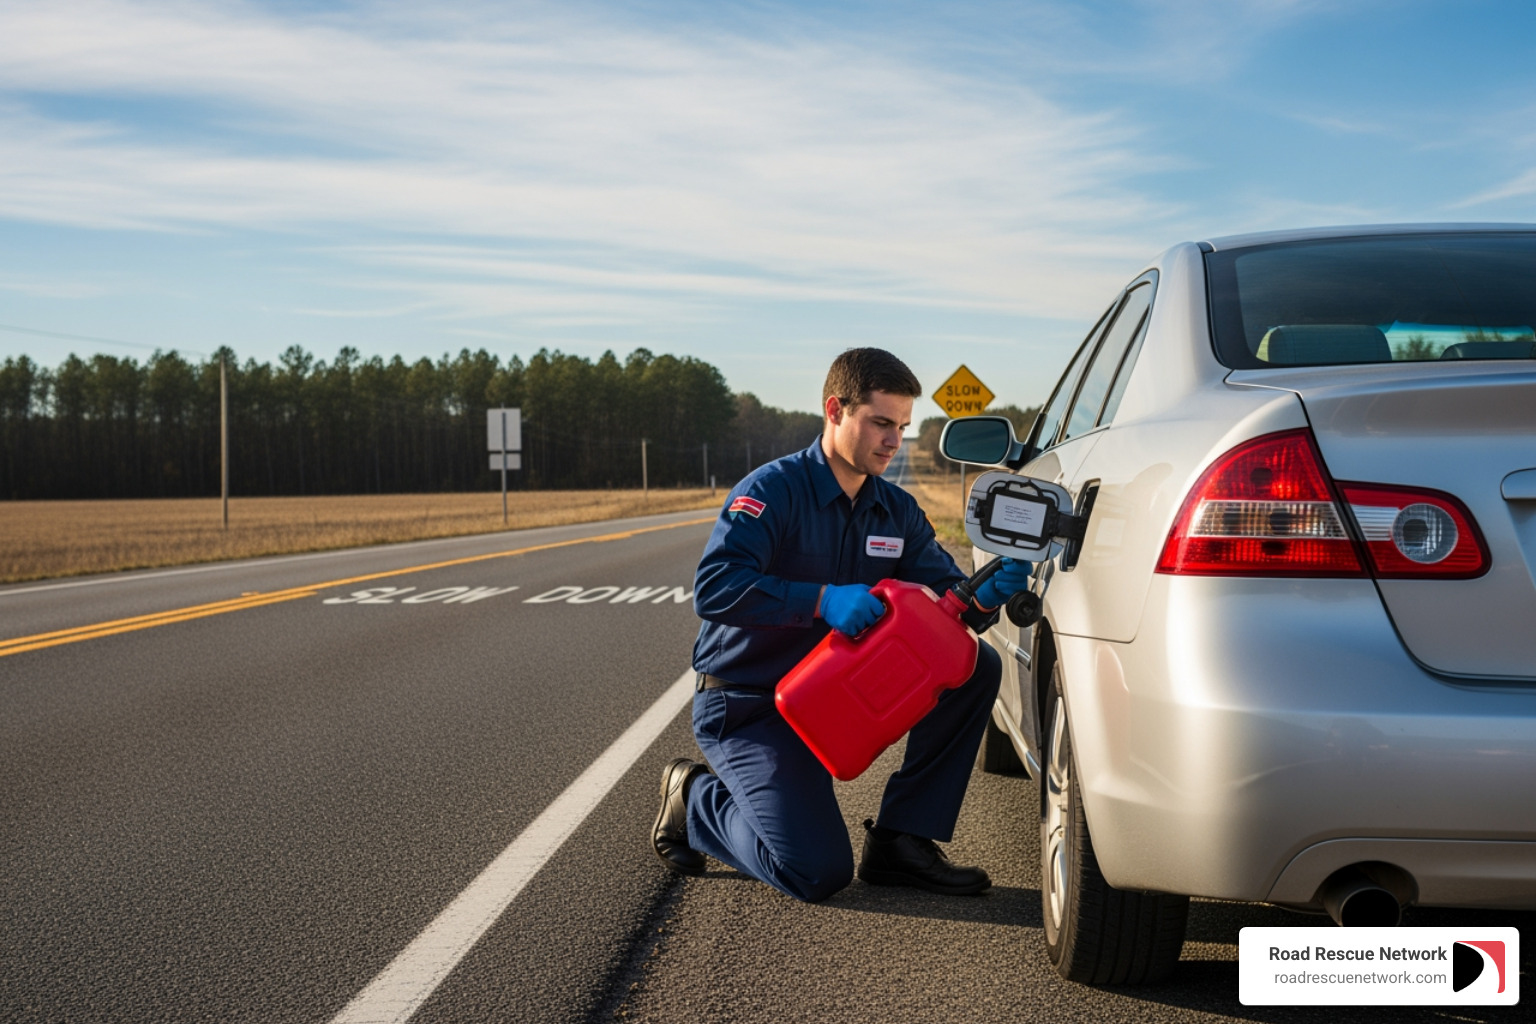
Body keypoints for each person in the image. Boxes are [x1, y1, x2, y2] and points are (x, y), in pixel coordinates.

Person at [651, 347, 1033, 902]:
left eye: (902, 426)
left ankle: (903, 841)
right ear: (835, 410)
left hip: (835, 696)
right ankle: (695, 799)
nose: (893, 440)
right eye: (880, 422)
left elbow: (952, 608)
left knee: (977, 666)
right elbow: (714, 589)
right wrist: (821, 600)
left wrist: (982, 598)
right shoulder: (771, 492)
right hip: (750, 707)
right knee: (816, 871)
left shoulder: (896, 512)